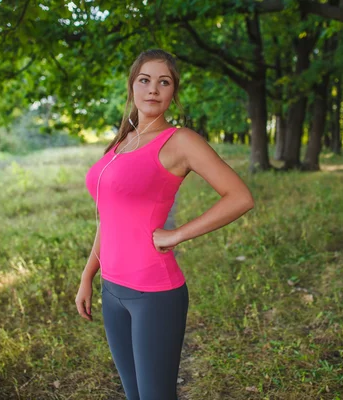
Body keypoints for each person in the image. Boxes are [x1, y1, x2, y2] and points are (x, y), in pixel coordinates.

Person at [76, 49, 254, 400]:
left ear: (173, 92)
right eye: (145, 80)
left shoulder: (180, 141)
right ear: (132, 87)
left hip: (154, 294)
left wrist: (176, 234)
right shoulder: (121, 142)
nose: (153, 89)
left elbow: (239, 197)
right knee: (133, 395)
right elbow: (108, 218)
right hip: (111, 291)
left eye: (164, 82)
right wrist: (87, 276)